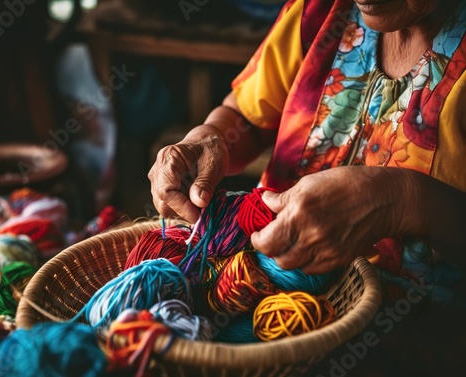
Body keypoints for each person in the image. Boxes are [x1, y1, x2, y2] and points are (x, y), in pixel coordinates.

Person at [149, 0, 466, 374]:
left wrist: (403, 200)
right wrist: (210, 137)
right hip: (263, 303)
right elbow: (245, 118)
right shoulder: (319, 14)